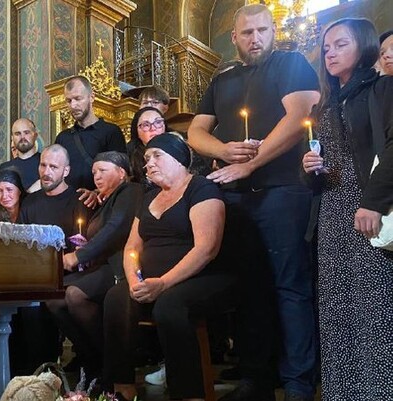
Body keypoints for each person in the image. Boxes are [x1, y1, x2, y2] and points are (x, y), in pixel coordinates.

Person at [187, 4, 320, 401]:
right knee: (247, 289)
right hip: (234, 197)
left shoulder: (292, 63)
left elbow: (299, 116)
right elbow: (196, 131)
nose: (255, 38)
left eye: (263, 30)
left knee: (289, 286)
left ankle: (298, 383)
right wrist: (225, 151)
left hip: (282, 191)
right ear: (234, 37)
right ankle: (256, 378)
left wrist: (251, 164)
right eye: (247, 32)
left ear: (273, 31)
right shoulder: (222, 78)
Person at [103, 133, 236, 401]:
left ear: (178, 158)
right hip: (152, 280)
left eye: (157, 156)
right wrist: (134, 281)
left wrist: (163, 283)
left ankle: (189, 394)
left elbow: (206, 249)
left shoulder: (201, 188)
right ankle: (122, 387)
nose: (148, 163)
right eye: (146, 159)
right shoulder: (148, 197)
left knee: (170, 305)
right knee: (117, 297)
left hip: (201, 277)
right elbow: (131, 247)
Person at [301, 18, 393, 400]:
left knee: (373, 308)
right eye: (326, 48)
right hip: (331, 213)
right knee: (336, 310)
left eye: (341, 44)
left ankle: (377, 392)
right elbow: (320, 166)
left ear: (364, 46)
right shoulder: (323, 104)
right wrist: (309, 167)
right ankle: (342, 392)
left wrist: (373, 202)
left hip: (367, 208)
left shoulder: (383, 88)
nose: (330, 53)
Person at [46, 151, 143, 388]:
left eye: (102, 170)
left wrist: (79, 256)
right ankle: (90, 358)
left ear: (121, 172)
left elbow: (116, 228)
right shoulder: (106, 200)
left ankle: (107, 362)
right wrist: (87, 248)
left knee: (75, 294)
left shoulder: (130, 191)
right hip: (101, 266)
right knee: (53, 298)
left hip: (120, 268)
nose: (96, 176)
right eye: (93, 172)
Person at [17, 144, 91, 375]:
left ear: (66, 171)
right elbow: (21, 242)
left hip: (70, 273)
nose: (46, 172)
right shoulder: (30, 202)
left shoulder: (80, 199)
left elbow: (83, 246)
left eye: (53, 167)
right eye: (43, 165)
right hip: (35, 274)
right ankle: (35, 370)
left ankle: (85, 358)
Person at [55, 76, 127, 207]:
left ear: (91, 97)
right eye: (69, 100)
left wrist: (96, 192)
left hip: (101, 205)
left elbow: (121, 174)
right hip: (67, 205)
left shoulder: (111, 132)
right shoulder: (63, 137)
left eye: (78, 99)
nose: (73, 105)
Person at [0, 118, 41, 193]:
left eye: (26, 133)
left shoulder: (46, 163)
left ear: (35, 135)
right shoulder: (5, 167)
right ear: (12, 138)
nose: (22, 137)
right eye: (18, 134)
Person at [126, 107, 166, 185]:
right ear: (136, 131)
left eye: (158, 122)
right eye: (146, 125)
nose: (153, 128)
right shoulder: (128, 156)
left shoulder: (177, 148)